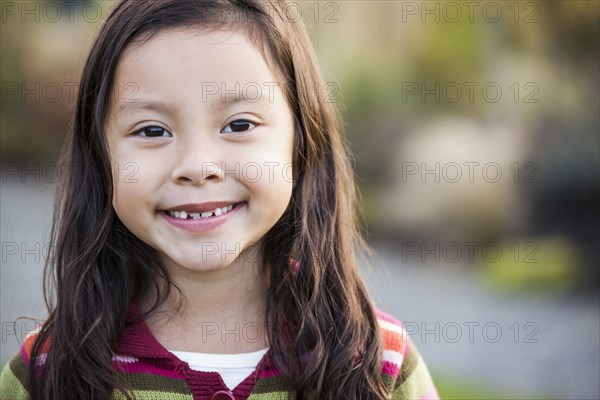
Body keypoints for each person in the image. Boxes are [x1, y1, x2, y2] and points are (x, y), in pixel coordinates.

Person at [0, 1, 439, 399]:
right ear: (101, 157)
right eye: (152, 130)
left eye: (239, 124)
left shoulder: (378, 363)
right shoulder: (47, 373)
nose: (197, 165)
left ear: (301, 140)